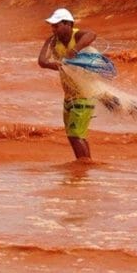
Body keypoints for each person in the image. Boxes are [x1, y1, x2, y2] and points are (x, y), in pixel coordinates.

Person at [37, 8, 97, 161]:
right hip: (69, 96)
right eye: (53, 26)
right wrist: (60, 66)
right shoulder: (52, 40)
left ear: (68, 24)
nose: (53, 29)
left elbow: (92, 35)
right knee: (73, 136)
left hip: (83, 95)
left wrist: (74, 51)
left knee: (76, 135)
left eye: (56, 25)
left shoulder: (77, 35)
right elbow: (42, 62)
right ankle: (84, 164)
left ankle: (84, 166)